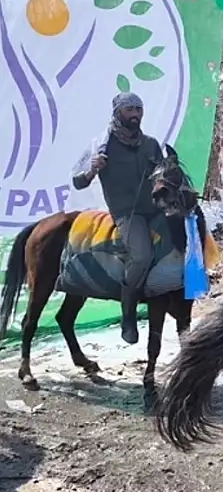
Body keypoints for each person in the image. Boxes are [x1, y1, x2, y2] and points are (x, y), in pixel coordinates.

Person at [72, 92, 164, 345]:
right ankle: (128, 314)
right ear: (117, 113)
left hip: (157, 209)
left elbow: (164, 174)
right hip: (127, 214)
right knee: (142, 255)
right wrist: (92, 169)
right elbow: (77, 180)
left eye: (138, 108)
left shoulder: (151, 144)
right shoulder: (101, 145)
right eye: (129, 109)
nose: (135, 114)